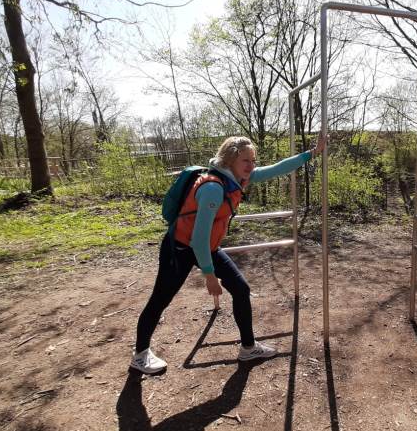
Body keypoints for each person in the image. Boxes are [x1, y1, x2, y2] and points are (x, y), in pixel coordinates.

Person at [130, 133, 326, 374]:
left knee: (241, 289)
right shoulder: (213, 187)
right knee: (160, 300)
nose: (251, 166)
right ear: (231, 160)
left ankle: (248, 347)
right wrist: (210, 276)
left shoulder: (239, 178)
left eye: (253, 161)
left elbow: (277, 168)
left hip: (207, 248)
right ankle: (140, 355)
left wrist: (312, 153)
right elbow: (198, 239)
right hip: (180, 249)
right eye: (246, 160)